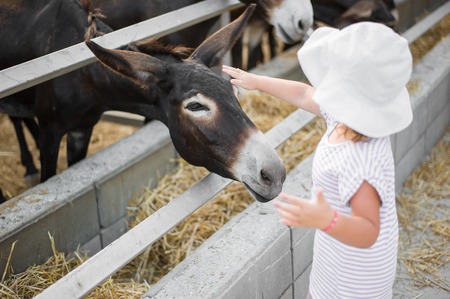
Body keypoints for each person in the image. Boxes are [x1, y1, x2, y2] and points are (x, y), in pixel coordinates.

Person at [222, 22, 413, 299]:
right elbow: (304, 94)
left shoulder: (358, 157)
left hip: (356, 279)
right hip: (337, 252)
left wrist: (326, 219)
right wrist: (256, 82)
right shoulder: (347, 117)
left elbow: (369, 230)